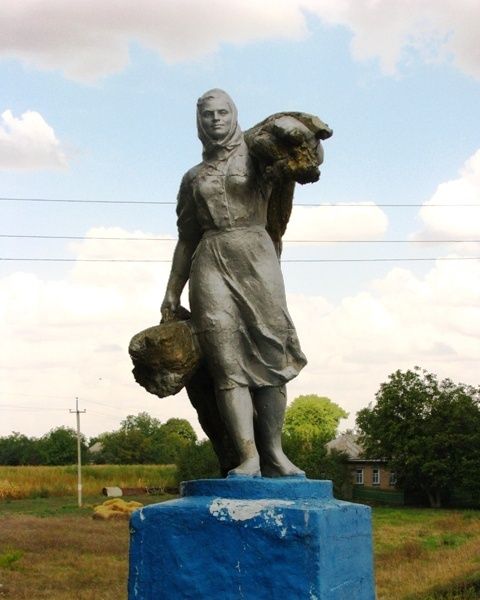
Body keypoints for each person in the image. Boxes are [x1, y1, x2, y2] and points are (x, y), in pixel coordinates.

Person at [161, 89, 307, 477]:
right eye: (207, 114)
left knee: (273, 355)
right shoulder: (193, 178)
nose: (215, 120)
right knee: (226, 363)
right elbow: (186, 238)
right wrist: (172, 290)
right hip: (209, 260)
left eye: (222, 112)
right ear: (199, 122)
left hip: (257, 256)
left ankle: (274, 452)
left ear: (235, 114)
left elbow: (306, 160)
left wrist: (295, 129)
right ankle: (248, 456)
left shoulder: (259, 154)